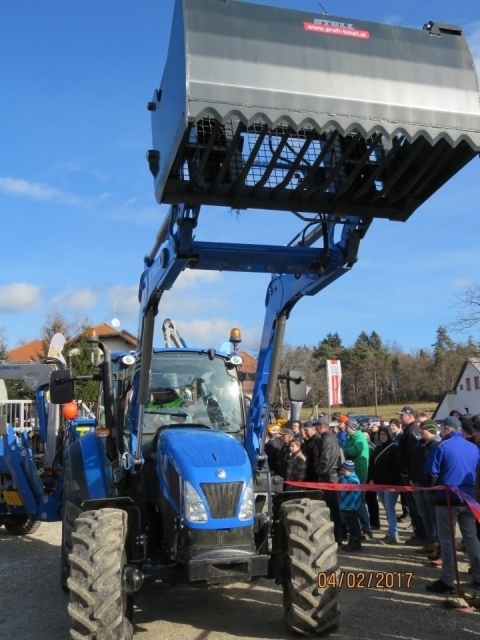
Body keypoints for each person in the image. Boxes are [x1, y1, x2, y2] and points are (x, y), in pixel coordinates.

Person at [425, 416, 480, 594]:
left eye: (442, 429)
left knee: (447, 540)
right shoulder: (473, 447)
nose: (440, 432)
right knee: (471, 538)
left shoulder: (442, 446)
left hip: (446, 498)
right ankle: (478, 576)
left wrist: (432, 491)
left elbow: (431, 474)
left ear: (447, 430)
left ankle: (448, 580)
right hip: (468, 498)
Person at [397, 406, 427, 545]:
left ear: (409, 416)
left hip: (411, 476)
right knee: (414, 507)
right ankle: (419, 533)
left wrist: (408, 473)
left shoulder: (412, 432)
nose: (400, 418)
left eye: (402, 415)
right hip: (408, 475)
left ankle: (421, 535)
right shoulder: (408, 431)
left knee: (417, 508)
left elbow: (413, 456)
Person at [411, 420, 442, 554]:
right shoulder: (423, 444)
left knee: (433, 516)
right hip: (419, 484)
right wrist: (414, 479)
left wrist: (431, 486)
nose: (419, 431)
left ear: (429, 430)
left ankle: (436, 543)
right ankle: (430, 540)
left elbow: (433, 469)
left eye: (422, 429)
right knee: (424, 514)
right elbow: (416, 463)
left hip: (430, 487)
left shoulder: (436, 446)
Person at [369, 426, 401, 543]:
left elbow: (397, 466)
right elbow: (373, 466)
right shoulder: (377, 448)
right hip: (379, 483)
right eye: (381, 434)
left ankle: (393, 534)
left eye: (385, 434)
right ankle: (391, 532)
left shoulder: (394, 448)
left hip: (391, 484)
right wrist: (372, 478)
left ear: (389, 435)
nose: (382, 436)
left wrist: (390, 478)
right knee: (387, 508)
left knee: (390, 508)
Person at [314, 417, 343, 542]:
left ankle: (337, 535)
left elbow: (325, 457)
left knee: (331, 507)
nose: (315, 428)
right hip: (331, 473)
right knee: (333, 507)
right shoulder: (331, 437)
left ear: (322, 426)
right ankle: (339, 535)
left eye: (316, 426)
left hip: (329, 475)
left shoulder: (326, 439)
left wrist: (320, 471)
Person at [344, 418, 372, 539]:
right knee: (353, 502)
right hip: (352, 474)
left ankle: (367, 529)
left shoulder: (360, 439)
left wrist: (340, 450)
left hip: (359, 474)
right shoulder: (351, 438)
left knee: (360, 502)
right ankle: (358, 528)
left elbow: (349, 452)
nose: (345, 428)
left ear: (353, 428)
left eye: (347, 426)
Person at [338, 460, 363, 552]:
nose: (342, 470)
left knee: (354, 525)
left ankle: (357, 542)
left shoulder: (354, 480)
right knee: (349, 524)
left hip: (352, 507)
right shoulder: (343, 478)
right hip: (344, 505)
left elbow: (350, 490)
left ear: (349, 470)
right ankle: (351, 541)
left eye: (344, 469)